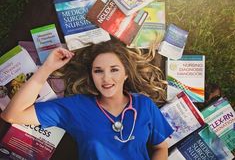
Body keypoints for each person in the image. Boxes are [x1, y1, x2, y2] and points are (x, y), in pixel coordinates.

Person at [1, 39, 173, 160]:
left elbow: (161, 147)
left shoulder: (144, 105)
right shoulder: (76, 107)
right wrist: (47, 68)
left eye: (114, 70)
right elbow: (12, 115)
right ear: (91, 75)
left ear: (126, 73)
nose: (106, 78)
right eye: (98, 71)